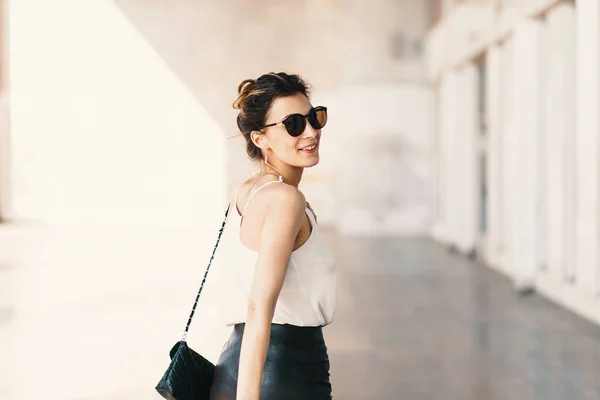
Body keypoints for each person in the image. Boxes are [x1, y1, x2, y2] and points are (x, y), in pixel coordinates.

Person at [208, 72, 337, 400]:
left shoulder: (249, 191)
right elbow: (258, 306)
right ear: (259, 138)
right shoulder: (285, 199)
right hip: (285, 374)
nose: (311, 131)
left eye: (314, 117)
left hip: (234, 368)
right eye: (293, 124)